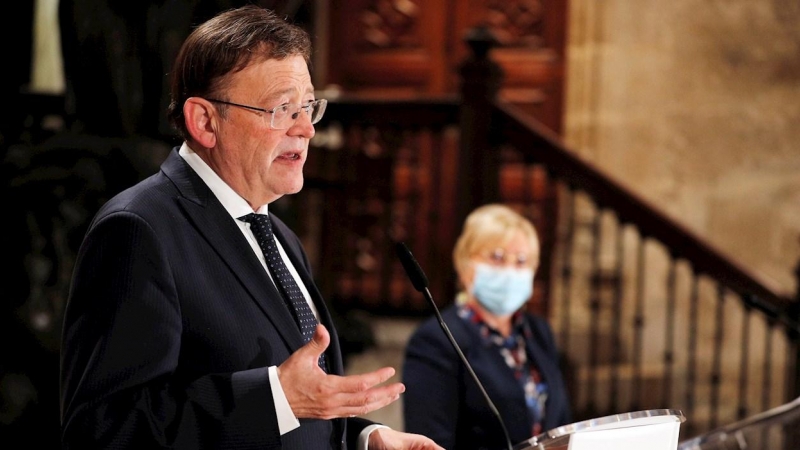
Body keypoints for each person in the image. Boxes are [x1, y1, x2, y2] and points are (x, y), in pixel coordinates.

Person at [59, 5, 443, 450]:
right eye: (282, 108)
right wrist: (277, 396)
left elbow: (296, 404)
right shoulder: (138, 232)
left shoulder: (278, 235)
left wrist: (365, 438)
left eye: (307, 107)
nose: (305, 130)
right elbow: (104, 432)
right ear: (205, 121)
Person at [402, 204, 572, 449]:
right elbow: (430, 441)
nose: (510, 270)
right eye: (497, 257)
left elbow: (562, 423)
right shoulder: (436, 339)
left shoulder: (538, 332)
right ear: (465, 264)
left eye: (521, 261)